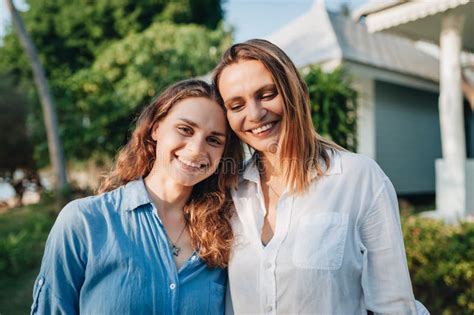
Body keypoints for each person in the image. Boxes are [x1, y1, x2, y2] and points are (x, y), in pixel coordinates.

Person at [213, 39, 429, 314]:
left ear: (294, 92)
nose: (255, 114)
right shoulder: (228, 190)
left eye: (267, 94)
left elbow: (394, 306)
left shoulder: (358, 179)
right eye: (236, 105)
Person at [30, 79, 243, 314]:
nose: (196, 149)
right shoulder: (84, 222)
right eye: (185, 129)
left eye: (213, 140)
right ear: (156, 128)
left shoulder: (226, 234)